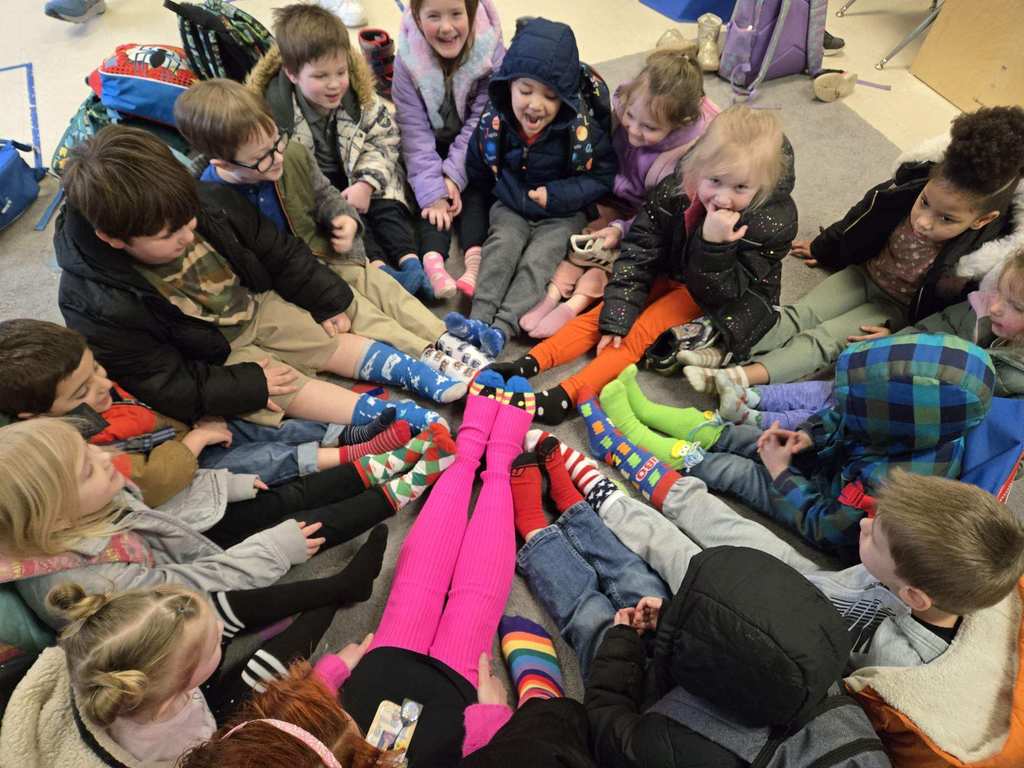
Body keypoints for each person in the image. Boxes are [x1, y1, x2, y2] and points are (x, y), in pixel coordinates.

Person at [557, 425, 1024, 767]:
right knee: (732, 527)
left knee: (683, 561)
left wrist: (682, 614)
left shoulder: (899, 663)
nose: (862, 525)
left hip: (783, 628)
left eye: (874, 537)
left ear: (914, 596)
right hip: (814, 588)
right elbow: (832, 581)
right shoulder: (927, 588)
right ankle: (649, 471)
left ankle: (605, 498)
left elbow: (801, 673)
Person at [179, 371, 537, 766]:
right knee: (474, 601)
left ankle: (468, 452)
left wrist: (325, 682)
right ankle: (500, 457)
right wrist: (489, 724)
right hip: (453, 700)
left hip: (380, 673)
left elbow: (270, 725)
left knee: (418, 584)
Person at [56, 126, 456, 435]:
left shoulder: (197, 200)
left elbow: (277, 251)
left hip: (256, 304)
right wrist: (249, 384)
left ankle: (420, 375)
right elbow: (165, 382)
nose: (188, 233)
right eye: (168, 235)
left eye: (188, 218)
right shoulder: (92, 302)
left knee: (319, 336)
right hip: (213, 355)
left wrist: (327, 300)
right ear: (113, 239)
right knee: (284, 388)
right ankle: (392, 415)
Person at [682, 105, 1024, 392]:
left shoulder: (981, 258)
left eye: (946, 219)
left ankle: (735, 378)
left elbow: (949, 320)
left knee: (825, 341)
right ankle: (722, 349)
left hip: (898, 308)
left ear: (981, 221)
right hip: (863, 275)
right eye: (925, 204)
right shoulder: (906, 190)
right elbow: (863, 218)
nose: (924, 222)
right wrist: (825, 247)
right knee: (799, 314)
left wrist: (896, 337)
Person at [492, 104, 796, 425]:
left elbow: (723, 292)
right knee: (605, 315)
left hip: (716, 296)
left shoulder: (771, 223)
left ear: (761, 187)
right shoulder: (675, 189)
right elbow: (640, 250)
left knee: (639, 334)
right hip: (671, 269)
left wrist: (714, 245)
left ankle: (564, 397)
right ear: (696, 168)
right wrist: (617, 315)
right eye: (716, 181)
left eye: (740, 188)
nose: (723, 198)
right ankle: (529, 364)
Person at [0, 417, 453, 627]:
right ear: (54, 511)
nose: (107, 457)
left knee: (283, 498)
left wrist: (220, 488)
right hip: (184, 606)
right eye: (87, 467)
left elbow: (158, 515)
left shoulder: (79, 501)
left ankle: (384, 464)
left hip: (179, 546)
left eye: (90, 449)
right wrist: (275, 550)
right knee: (311, 528)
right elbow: (188, 587)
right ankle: (407, 485)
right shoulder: (91, 580)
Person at [583, 332, 996, 559]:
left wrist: (780, 473)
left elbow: (826, 529)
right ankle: (656, 414)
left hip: (821, 507)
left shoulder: (889, 488)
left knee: (740, 472)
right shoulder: (907, 421)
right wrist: (810, 434)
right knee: (749, 436)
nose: (842, 400)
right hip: (836, 462)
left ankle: (638, 440)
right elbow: (848, 416)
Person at [176, 80, 478, 383]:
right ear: (222, 162)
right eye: (263, 157)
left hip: (324, 251)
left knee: (382, 287)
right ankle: (427, 354)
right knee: (361, 311)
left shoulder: (292, 155)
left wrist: (345, 220)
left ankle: (445, 338)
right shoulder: (213, 203)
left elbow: (327, 196)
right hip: (287, 283)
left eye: (276, 141)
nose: (277, 157)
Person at [0, 557, 387, 767]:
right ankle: (330, 601)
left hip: (184, 704)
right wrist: (325, 678)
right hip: (212, 730)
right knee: (264, 672)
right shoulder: (173, 745)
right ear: (179, 690)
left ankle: (334, 590)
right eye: (216, 641)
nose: (222, 628)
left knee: (230, 615)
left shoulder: (107, 662)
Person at [0, 319, 418, 506]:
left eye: (97, 370)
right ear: (35, 417)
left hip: (188, 431)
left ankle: (343, 434)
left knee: (260, 425)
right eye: (83, 391)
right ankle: (350, 455)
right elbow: (149, 480)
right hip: (185, 469)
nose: (104, 385)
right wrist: (197, 441)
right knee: (258, 459)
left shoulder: (96, 386)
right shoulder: (76, 445)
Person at [443, 17, 617, 358]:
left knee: (538, 261)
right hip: (510, 203)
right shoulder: (494, 120)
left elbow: (602, 176)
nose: (535, 105)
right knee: (502, 248)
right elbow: (478, 169)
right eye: (525, 91)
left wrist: (557, 196)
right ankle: (478, 318)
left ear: (565, 99)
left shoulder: (581, 129)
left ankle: (501, 327)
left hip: (561, 214)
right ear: (508, 86)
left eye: (550, 97)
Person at [522, 42, 719, 339]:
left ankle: (574, 305)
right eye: (630, 117)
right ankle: (551, 294)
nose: (634, 130)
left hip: (648, 219)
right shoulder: (631, 105)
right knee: (577, 236)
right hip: (613, 195)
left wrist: (620, 228)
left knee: (616, 262)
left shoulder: (683, 161)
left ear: (680, 125)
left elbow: (660, 222)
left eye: (649, 128)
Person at [249, 4, 429, 297]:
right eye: (321, 77)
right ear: (292, 75)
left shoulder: (360, 97)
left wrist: (367, 183)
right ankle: (381, 270)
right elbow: (286, 173)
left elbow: (384, 139)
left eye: (341, 72)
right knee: (348, 225)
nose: (334, 85)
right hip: (321, 186)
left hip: (362, 171)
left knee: (388, 208)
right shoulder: (273, 115)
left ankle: (410, 263)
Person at [392, 0, 505, 298]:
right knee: (427, 201)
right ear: (416, 16)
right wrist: (434, 192)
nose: (446, 27)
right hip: (429, 141)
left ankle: (474, 263)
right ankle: (433, 262)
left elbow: (483, 120)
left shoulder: (490, 50)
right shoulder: (406, 58)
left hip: (476, 141)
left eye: (456, 14)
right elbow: (414, 133)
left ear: (470, 12)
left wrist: (454, 175)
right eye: (433, 16)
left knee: (478, 189)